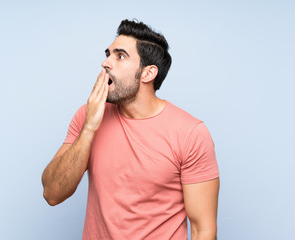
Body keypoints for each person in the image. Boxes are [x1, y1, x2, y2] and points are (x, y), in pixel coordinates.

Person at [42, 19, 220, 240]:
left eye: (120, 56)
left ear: (148, 74)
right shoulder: (88, 115)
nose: (105, 63)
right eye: (108, 54)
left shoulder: (190, 133)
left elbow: (204, 229)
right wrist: (88, 128)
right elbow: (52, 193)